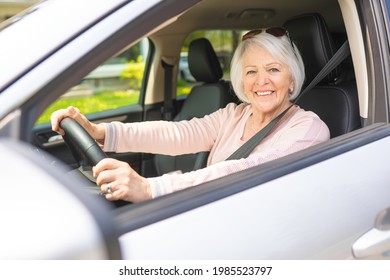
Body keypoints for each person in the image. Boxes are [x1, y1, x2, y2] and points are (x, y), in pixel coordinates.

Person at [51, 27, 330, 203]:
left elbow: (244, 170)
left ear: (292, 79)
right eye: (251, 71)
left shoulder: (308, 128)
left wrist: (150, 188)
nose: (261, 81)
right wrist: (102, 133)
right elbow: (178, 133)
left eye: (273, 69)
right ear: (241, 80)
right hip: (212, 209)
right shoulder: (235, 114)